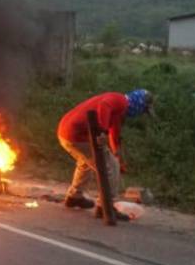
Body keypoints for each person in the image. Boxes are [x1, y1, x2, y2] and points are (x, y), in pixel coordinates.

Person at [57, 89, 153, 217]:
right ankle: (106, 206)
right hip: (75, 134)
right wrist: (101, 131)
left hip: (67, 132)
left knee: (87, 162)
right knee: (111, 167)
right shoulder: (121, 101)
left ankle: (75, 196)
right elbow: (105, 105)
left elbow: (114, 134)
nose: (140, 114)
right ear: (139, 105)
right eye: (143, 110)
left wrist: (118, 156)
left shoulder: (119, 111)